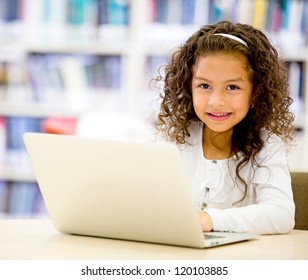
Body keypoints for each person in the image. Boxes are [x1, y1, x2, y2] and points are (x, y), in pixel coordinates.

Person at [155, 21, 295, 234]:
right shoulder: (174, 137)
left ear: (255, 92)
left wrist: (209, 220)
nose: (216, 101)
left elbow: (281, 215)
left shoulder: (268, 147)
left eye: (232, 87)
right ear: (188, 87)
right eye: (204, 86)